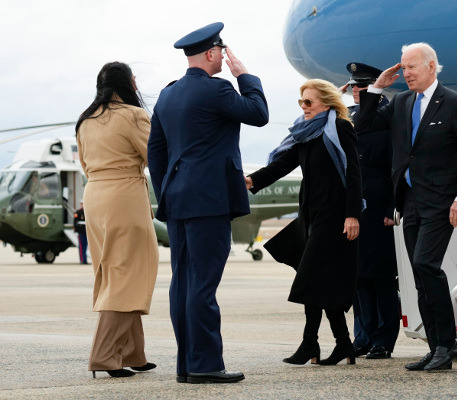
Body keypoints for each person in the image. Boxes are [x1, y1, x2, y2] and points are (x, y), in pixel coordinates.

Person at [147, 22, 268, 384]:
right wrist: (245, 76)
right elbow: (258, 113)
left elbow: (156, 151)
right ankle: (205, 365)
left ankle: (188, 364)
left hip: (179, 198)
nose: (223, 59)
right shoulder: (217, 90)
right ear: (213, 53)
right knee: (203, 284)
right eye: (221, 53)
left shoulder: (168, 95)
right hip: (210, 199)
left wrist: (167, 186)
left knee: (183, 282)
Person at [356, 43, 457, 371]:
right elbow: (365, 125)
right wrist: (376, 88)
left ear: (431, 66)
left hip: (442, 202)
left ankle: (446, 344)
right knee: (417, 274)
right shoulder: (400, 101)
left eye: (411, 67)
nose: (406, 73)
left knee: (427, 265)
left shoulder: (455, 103)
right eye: (403, 67)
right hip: (409, 202)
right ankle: (439, 345)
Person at [245, 79, 362, 366]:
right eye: (301, 103)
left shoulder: (340, 129)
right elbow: (282, 164)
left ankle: (311, 343)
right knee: (319, 280)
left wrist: (353, 214)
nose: (303, 107)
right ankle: (343, 344)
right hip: (310, 214)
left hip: (335, 216)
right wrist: (251, 180)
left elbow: (354, 173)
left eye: (308, 102)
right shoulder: (306, 134)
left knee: (311, 277)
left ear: (326, 103)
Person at [76, 61, 159, 378]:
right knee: (130, 276)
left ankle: (133, 354)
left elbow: (85, 164)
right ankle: (105, 356)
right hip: (124, 196)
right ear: (127, 83)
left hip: (95, 196)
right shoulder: (133, 115)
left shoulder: (86, 120)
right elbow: (155, 156)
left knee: (118, 273)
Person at [340, 62, 400, 359]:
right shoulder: (348, 118)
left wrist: (394, 205)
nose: (355, 92)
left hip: (379, 207)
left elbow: (398, 166)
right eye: (352, 88)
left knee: (381, 276)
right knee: (358, 276)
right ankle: (362, 336)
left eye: (360, 88)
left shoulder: (389, 115)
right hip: (353, 207)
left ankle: (383, 339)